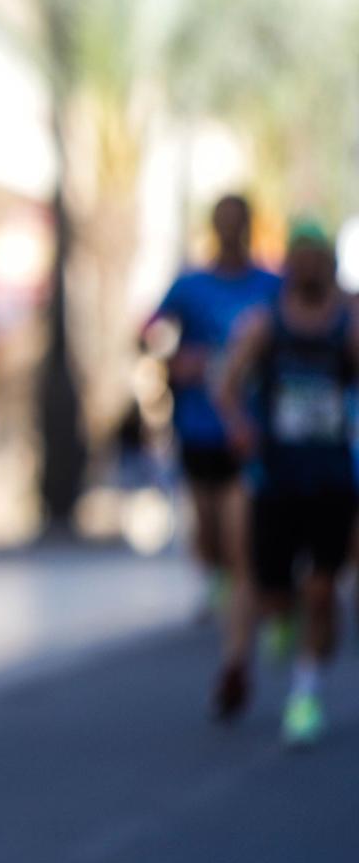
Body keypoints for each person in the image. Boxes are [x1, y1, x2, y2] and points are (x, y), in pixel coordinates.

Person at [212, 219, 359, 745]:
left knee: (321, 589)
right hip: (277, 477)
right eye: (300, 255)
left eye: (318, 256)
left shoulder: (347, 326)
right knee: (275, 598)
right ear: (288, 264)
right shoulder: (266, 326)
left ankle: (305, 693)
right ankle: (283, 621)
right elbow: (227, 386)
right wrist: (240, 428)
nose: (310, 265)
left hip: (331, 477)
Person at [144, 195, 280, 627]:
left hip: (248, 429)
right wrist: (173, 358)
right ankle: (220, 573)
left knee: (240, 526)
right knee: (206, 527)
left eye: (237, 222)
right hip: (197, 424)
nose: (229, 231)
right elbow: (151, 330)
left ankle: (248, 590)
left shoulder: (270, 285)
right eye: (222, 222)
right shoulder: (190, 284)